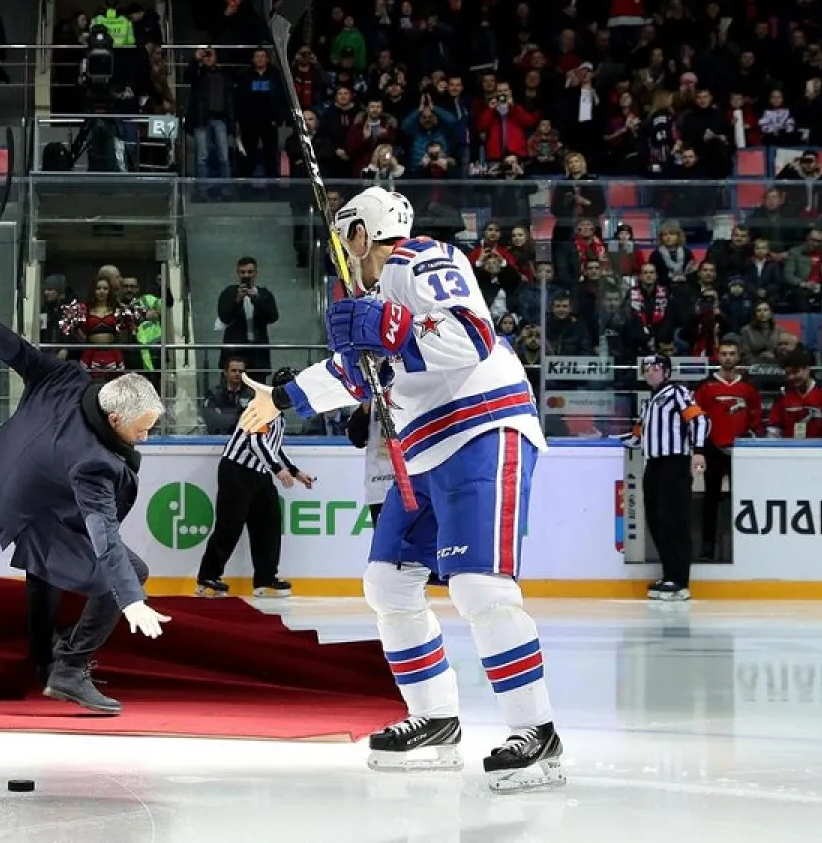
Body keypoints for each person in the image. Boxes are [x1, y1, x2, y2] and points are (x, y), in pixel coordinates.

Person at [238, 188, 563, 793]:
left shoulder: (421, 260)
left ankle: (536, 731)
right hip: (423, 450)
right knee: (387, 582)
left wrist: (389, 325)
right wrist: (282, 398)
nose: (339, 251)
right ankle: (436, 719)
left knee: (479, 587)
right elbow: (354, 377)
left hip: (483, 429)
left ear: (363, 232)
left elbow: (471, 339)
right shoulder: (372, 297)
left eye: (344, 236)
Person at [0, 285, 170, 716]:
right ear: (114, 418)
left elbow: (2, 340)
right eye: (143, 429)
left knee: (44, 575)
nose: (147, 437)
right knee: (130, 571)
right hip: (35, 508)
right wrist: (131, 597)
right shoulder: (94, 463)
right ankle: (69, 668)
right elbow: (104, 536)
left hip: (15, 478)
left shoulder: (65, 377)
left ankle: (44, 665)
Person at [196, 367, 313, 598]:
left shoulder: (278, 413)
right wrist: (279, 471)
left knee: (269, 524)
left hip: (259, 473)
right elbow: (256, 443)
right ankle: (208, 576)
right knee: (229, 525)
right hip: (236, 471)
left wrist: (295, 471)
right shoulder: (260, 407)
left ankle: (266, 577)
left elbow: (273, 447)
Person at [621, 355, 710, 601]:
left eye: (655, 368)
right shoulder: (649, 402)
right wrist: (607, 441)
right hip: (654, 464)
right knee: (657, 519)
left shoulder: (676, 392)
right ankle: (669, 573)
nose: (649, 372)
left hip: (674, 462)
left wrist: (698, 451)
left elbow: (699, 419)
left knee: (674, 520)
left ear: (667, 371)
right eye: (646, 368)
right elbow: (638, 434)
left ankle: (680, 581)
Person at [692, 342, 763, 562]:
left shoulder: (748, 388)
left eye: (732, 354)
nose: (728, 358)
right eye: (724, 354)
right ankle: (707, 548)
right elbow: (697, 418)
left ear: (739, 356)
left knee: (744, 500)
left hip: (741, 450)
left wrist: (751, 441)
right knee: (710, 501)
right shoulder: (706, 387)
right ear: (717, 356)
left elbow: (756, 419)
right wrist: (700, 448)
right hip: (713, 449)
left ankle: (746, 547)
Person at [346, 402, 396, 524]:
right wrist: (364, 409)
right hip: (379, 485)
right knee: (385, 540)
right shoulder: (371, 400)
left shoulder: (408, 394)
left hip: (412, 484)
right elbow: (356, 439)